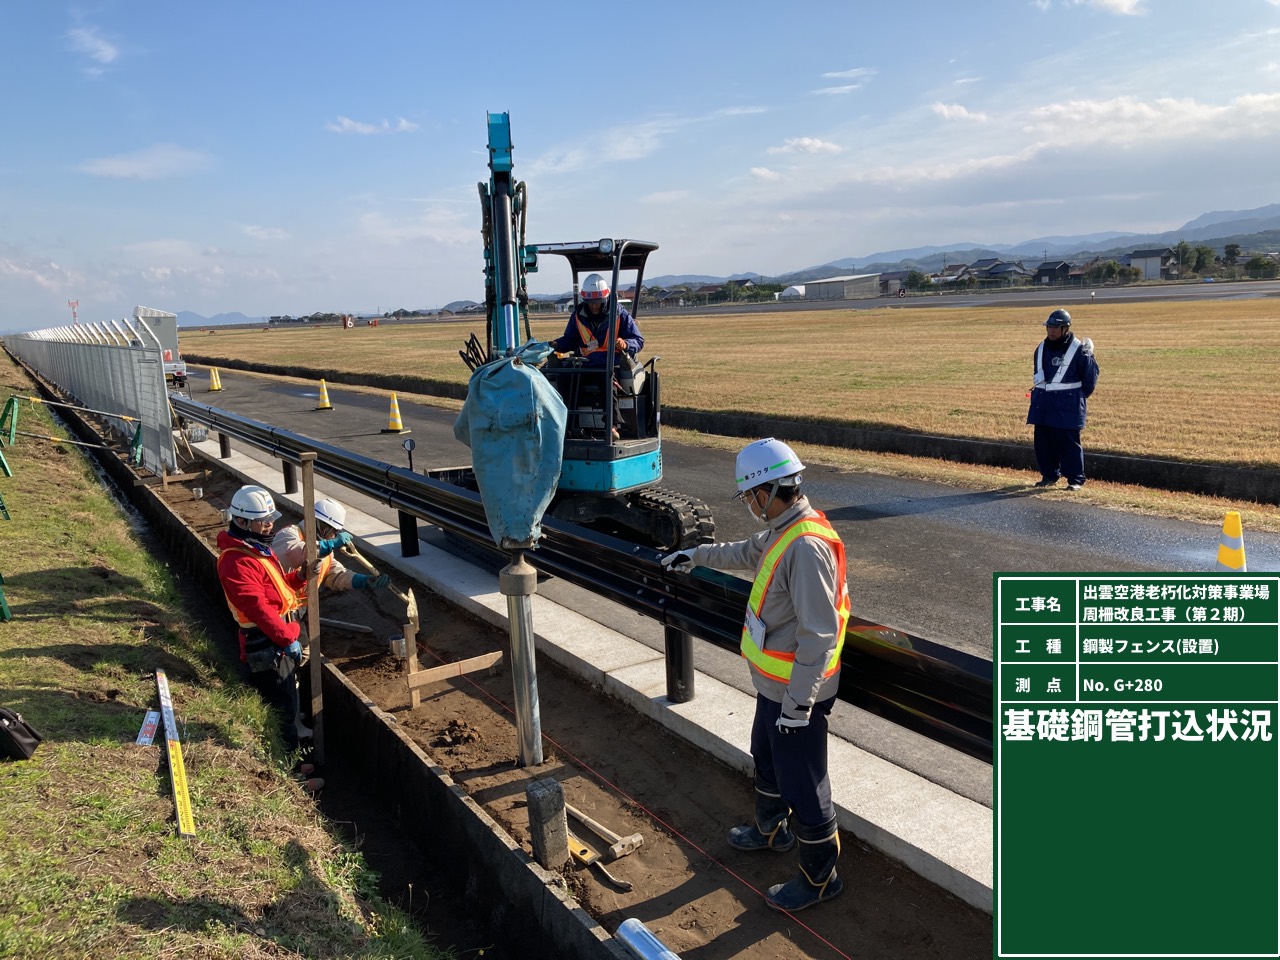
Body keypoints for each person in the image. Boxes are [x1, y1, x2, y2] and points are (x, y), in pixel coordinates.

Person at [659, 438, 849, 912]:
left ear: (768, 491)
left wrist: (799, 708)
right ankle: (769, 830)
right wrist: (698, 555)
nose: (748, 505)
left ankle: (820, 877)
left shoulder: (806, 546)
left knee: (804, 782)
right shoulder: (783, 529)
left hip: (797, 695)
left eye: (749, 496)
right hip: (775, 687)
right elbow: (746, 551)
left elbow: (819, 634)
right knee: (766, 756)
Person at [216, 484, 323, 792]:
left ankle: (290, 761)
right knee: (282, 710)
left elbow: (277, 592)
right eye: (263, 521)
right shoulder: (235, 561)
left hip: (277, 637)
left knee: (287, 702)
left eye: (269, 519)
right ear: (242, 521)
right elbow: (259, 609)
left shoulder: (256, 550)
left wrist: (301, 575)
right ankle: (287, 780)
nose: (270, 525)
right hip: (265, 642)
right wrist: (285, 637)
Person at [550, 273, 644, 440]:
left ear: (606, 298)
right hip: (585, 364)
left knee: (607, 378)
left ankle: (612, 426)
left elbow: (638, 340)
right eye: (590, 302)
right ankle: (569, 426)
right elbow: (570, 340)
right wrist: (557, 344)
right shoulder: (578, 316)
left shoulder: (619, 314)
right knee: (565, 377)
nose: (594, 306)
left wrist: (626, 344)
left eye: (598, 302)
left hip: (609, 363)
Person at [1026, 308, 1099, 491]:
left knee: (1068, 444)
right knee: (1043, 443)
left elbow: (1089, 380)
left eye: (1055, 327)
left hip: (1067, 406)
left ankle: (1075, 479)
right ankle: (1049, 475)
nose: (1051, 331)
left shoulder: (1080, 350)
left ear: (1065, 329)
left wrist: (1075, 399)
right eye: (1049, 327)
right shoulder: (1041, 348)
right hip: (1043, 405)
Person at [271, 497, 390, 601]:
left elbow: (336, 576)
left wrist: (365, 581)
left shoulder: (324, 551)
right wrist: (331, 544)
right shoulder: (289, 534)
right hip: (277, 603)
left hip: (299, 609)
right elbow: (298, 553)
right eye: (334, 531)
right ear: (322, 526)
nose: (334, 536)